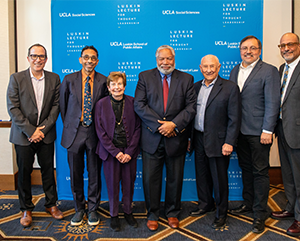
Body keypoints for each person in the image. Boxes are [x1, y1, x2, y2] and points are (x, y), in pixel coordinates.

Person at [134, 45, 196, 231]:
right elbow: (139, 104)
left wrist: (174, 125)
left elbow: (191, 107)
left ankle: (172, 212)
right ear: (156, 59)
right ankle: (152, 213)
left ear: (174, 59)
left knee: (175, 178)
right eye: (162, 59)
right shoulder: (145, 77)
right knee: (150, 179)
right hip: (152, 138)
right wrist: (160, 126)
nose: (165, 62)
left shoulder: (186, 78)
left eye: (168, 59)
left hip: (176, 137)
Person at [7, 43, 63, 227]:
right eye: (34, 56)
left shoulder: (54, 79)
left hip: (45, 134)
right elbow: (13, 108)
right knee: (24, 173)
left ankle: (51, 204)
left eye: (41, 56)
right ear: (28, 58)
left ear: (46, 59)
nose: (38, 59)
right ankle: (26, 209)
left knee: (48, 171)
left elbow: (56, 107)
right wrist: (31, 131)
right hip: (23, 136)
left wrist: (42, 130)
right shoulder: (16, 78)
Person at [228, 36, 281, 233]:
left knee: (260, 172)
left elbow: (273, 102)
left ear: (259, 50)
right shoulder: (235, 70)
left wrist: (268, 129)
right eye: (244, 48)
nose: (248, 51)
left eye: (252, 48)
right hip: (239, 131)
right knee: (246, 168)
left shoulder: (269, 71)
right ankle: (248, 203)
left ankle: (260, 213)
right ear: (240, 50)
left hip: (260, 132)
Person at [189, 55, 241, 229]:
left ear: (219, 67)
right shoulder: (195, 87)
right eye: (205, 66)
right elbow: (190, 115)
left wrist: (229, 142)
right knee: (201, 175)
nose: (209, 70)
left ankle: (221, 213)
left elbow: (234, 118)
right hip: (198, 138)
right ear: (200, 68)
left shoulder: (230, 88)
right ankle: (205, 204)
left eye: (212, 66)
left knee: (219, 179)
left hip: (219, 142)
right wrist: (189, 138)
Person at [60, 45, 108, 226]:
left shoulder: (103, 81)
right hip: (74, 132)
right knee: (75, 173)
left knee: (94, 172)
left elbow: (104, 109)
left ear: (97, 61)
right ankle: (79, 208)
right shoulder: (69, 79)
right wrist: (74, 124)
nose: (89, 61)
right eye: (86, 57)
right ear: (80, 59)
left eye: (93, 58)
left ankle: (93, 209)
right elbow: (64, 108)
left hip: (95, 133)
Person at [94, 72, 141, 232]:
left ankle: (128, 212)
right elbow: (100, 131)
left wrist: (129, 152)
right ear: (108, 87)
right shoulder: (100, 104)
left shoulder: (133, 102)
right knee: (112, 185)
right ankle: (114, 215)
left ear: (124, 86)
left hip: (129, 153)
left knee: (129, 184)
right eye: (113, 84)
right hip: (110, 153)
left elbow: (137, 128)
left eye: (120, 84)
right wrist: (116, 153)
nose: (117, 87)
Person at [270, 33, 300, 237]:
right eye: (282, 45)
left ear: (298, 46)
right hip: (283, 129)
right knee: (288, 174)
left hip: (297, 131)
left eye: (290, 44)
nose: (286, 48)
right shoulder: (282, 69)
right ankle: (291, 207)